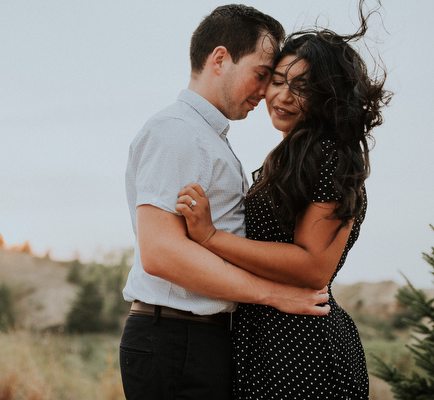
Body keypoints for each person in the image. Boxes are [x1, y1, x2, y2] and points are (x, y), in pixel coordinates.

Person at [175, 6, 391, 398]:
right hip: (264, 342)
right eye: (277, 81)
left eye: (303, 87)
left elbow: (313, 267)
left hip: (301, 348)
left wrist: (209, 237)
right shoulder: (290, 156)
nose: (282, 96)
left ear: (328, 95)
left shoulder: (332, 155)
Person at [120, 5, 331, 400]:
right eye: (262, 74)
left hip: (195, 337)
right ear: (220, 58)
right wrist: (274, 294)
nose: (266, 90)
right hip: (177, 337)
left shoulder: (206, 136)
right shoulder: (177, 133)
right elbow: (161, 253)